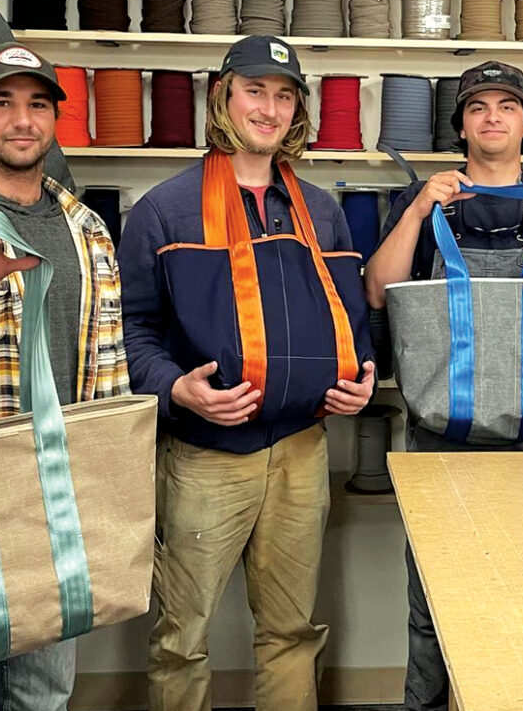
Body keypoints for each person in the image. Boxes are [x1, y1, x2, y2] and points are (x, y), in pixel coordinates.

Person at [117, 36, 375, 711]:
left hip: (301, 452)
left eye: (284, 94)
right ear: (222, 97)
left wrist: (362, 375)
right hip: (205, 459)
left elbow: (349, 319)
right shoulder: (162, 211)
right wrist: (176, 388)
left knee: (291, 631)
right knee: (182, 636)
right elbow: (131, 331)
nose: (269, 107)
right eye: (254, 90)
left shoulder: (320, 211)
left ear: (298, 111)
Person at [364, 59, 523, 711]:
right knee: (433, 602)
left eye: (506, 107)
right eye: (478, 107)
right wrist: (419, 208)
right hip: (440, 437)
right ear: (461, 125)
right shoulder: (424, 203)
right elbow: (377, 288)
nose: (492, 117)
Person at [0, 39, 129, 711]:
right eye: (2, 103)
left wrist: (106, 479)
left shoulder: (89, 228)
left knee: (44, 688)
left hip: (57, 489)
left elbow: (109, 366)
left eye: (36, 104)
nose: (21, 120)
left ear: (55, 118)